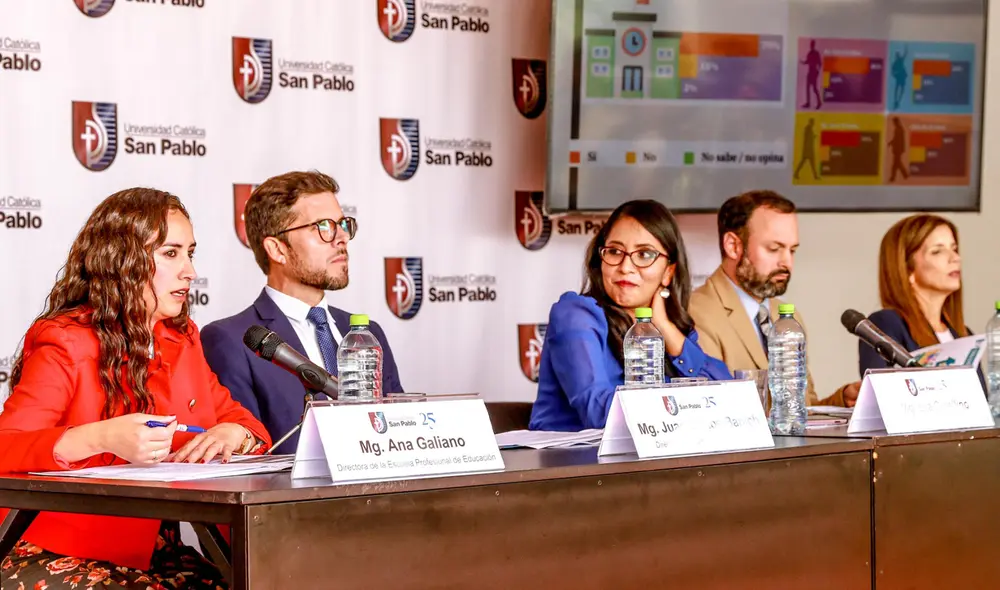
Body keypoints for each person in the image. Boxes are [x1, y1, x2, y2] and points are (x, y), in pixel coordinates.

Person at [0, 188, 270, 590]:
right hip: (57, 547)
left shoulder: (182, 339)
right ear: (122, 260)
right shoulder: (65, 339)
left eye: (190, 253)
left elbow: (243, 422)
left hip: (153, 551)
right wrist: (102, 437)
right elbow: (7, 447)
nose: (190, 272)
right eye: (171, 253)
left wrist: (236, 433)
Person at [202, 171, 403, 454]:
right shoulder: (232, 340)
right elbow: (247, 452)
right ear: (277, 249)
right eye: (323, 226)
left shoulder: (367, 333)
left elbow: (403, 435)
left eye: (342, 225)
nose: (342, 238)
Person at [529, 200, 731, 431]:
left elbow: (728, 399)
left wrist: (663, 326)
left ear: (668, 272)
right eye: (615, 251)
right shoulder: (576, 314)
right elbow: (599, 412)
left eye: (644, 254)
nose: (626, 267)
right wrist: (688, 409)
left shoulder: (672, 329)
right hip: (573, 462)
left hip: (648, 459)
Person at [689, 190, 857, 407]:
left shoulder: (786, 315)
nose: (786, 262)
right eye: (774, 248)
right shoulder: (697, 313)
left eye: (792, 250)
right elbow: (715, 413)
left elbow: (802, 410)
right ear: (733, 246)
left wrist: (841, 401)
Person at [859, 214, 979, 382]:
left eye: (954, 248)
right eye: (937, 251)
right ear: (907, 270)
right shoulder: (886, 324)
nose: (955, 258)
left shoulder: (964, 334)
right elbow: (882, 397)